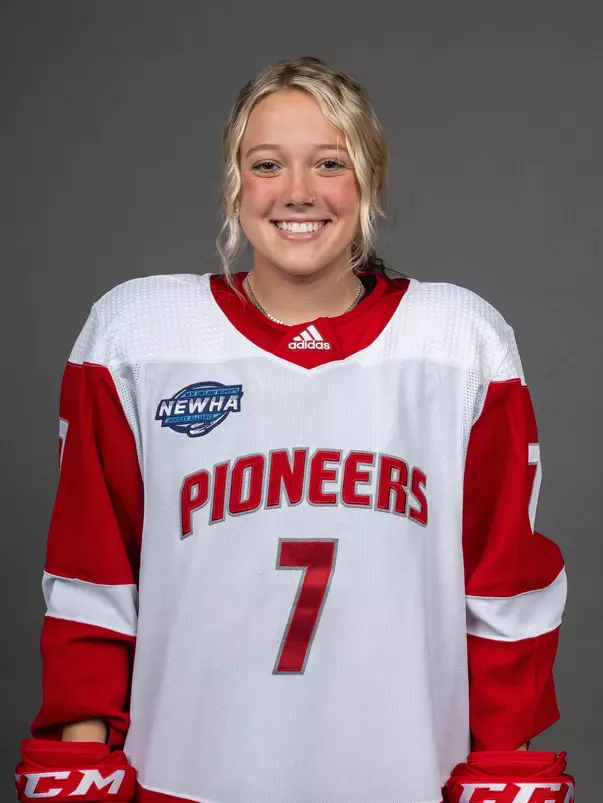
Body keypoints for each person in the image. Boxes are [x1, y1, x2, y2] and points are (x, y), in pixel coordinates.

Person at [15, 57, 573, 803]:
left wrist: (506, 763)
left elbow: (503, 585)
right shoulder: (138, 333)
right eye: (267, 164)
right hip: (187, 775)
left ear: (368, 181)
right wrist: (81, 754)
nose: (298, 193)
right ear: (232, 183)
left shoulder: (457, 341)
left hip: (399, 775)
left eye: (330, 163)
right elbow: (93, 573)